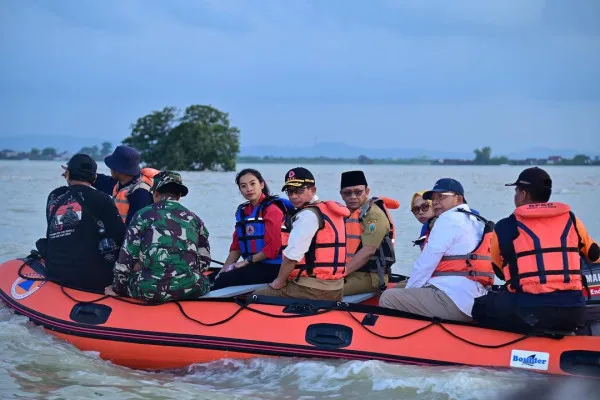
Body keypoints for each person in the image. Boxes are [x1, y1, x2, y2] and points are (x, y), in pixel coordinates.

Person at [472, 167, 599, 332]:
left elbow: (499, 271)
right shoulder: (572, 220)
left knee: (481, 306)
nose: (515, 195)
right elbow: (594, 254)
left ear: (523, 194)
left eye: (516, 191)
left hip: (531, 311)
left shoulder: (505, 226)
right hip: (573, 311)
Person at [379, 178, 494, 322]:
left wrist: (410, 292)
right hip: (475, 299)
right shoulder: (475, 220)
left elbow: (425, 265)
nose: (436, 202)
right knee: (400, 289)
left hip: (454, 300)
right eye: (433, 198)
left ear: (458, 198)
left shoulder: (448, 219)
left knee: (388, 298)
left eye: (442, 196)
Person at [107, 171, 211, 303]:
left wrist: (117, 287)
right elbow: (205, 261)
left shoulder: (142, 215)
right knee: (205, 281)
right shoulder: (195, 219)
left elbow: (125, 260)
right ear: (178, 196)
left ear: (155, 193)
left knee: (130, 279)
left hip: (149, 290)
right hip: (190, 289)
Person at [253, 167, 350, 301]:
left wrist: (279, 282)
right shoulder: (327, 210)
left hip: (313, 289)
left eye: (299, 190)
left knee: (256, 296)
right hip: (336, 288)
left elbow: (293, 255)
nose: (293, 196)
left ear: (313, 190)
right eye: (290, 191)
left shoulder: (307, 215)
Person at [42, 154, 125, 292]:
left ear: (67, 174)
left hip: (55, 273)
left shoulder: (54, 197)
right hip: (93, 278)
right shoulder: (103, 199)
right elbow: (120, 235)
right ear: (94, 178)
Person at [212, 168, 293, 290]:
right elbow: (236, 247)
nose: (249, 189)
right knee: (212, 278)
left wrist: (244, 262)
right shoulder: (244, 212)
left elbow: (272, 248)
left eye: (252, 183)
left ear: (261, 184)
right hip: (254, 264)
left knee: (224, 281)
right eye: (243, 186)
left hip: (274, 267)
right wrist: (223, 270)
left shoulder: (272, 209)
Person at [339, 170, 398, 295]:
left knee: (324, 291)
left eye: (358, 192)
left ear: (367, 192)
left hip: (370, 277)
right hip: (352, 272)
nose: (353, 197)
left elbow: (368, 250)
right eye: (347, 193)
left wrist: (339, 273)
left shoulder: (373, 216)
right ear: (341, 195)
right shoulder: (345, 214)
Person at [92, 145, 156, 225]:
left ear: (117, 171)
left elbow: (134, 228)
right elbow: (105, 182)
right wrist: (87, 176)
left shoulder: (141, 193)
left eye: (111, 167)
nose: (110, 169)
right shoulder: (124, 182)